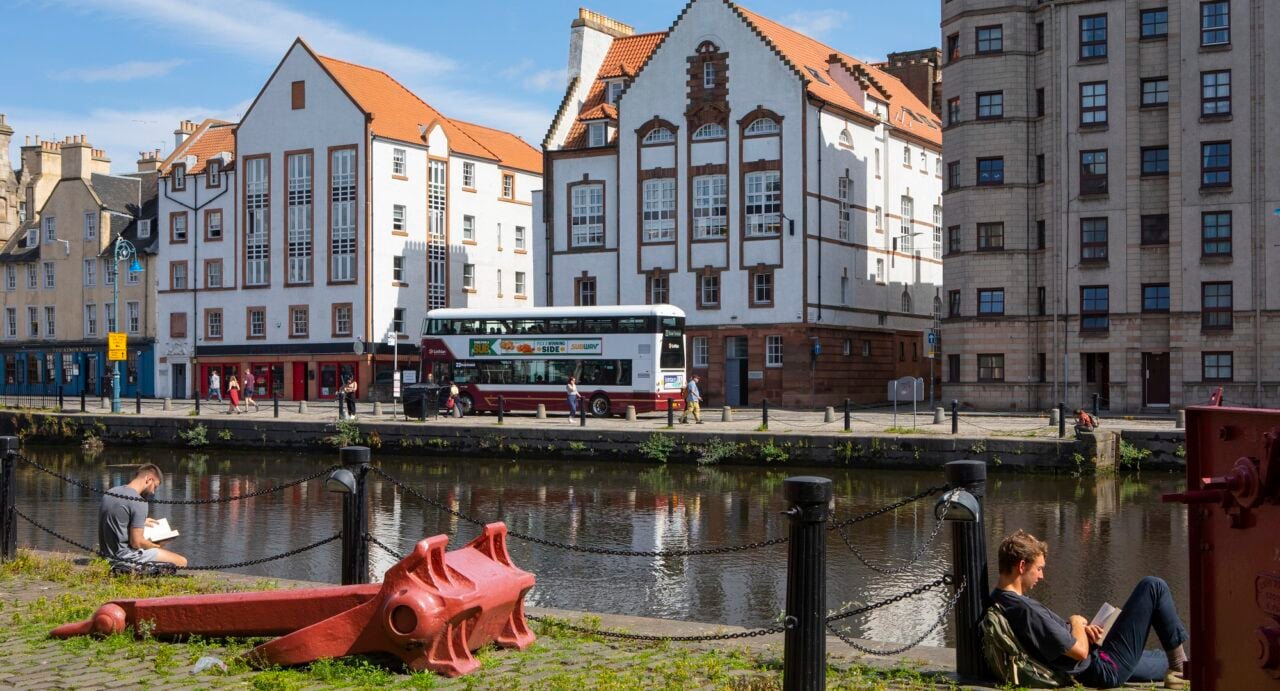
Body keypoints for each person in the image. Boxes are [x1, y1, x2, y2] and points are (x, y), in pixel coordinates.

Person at [992, 530, 1188, 689]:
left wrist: (1083, 633)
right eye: (1039, 568)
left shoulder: (1002, 599)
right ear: (1022, 566)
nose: (1041, 576)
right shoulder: (1024, 609)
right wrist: (1076, 621)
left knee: (1161, 659)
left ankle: (1182, 668)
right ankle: (1180, 668)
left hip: (1098, 659)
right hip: (1102, 668)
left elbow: (1058, 644)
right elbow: (1079, 652)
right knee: (1153, 586)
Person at [98, 464, 187, 568]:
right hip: (124, 558)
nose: (153, 492)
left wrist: (141, 521)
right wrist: (158, 545)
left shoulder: (111, 492)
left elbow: (117, 517)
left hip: (106, 556)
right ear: (148, 479)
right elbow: (137, 543)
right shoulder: (138, 501)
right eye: (155, 486)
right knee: (182, 562)